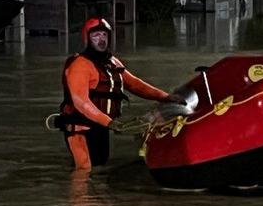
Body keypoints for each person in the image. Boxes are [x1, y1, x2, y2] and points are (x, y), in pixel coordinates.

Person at [57, 17, 181, 170]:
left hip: (101, 126)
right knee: (84, 169)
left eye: (104, 35)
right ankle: (78, 192)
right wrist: (110, 123)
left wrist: (165, 97)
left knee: (100, 164)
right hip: (80, 127)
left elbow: (135, 84)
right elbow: (81, 103)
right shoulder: (80, 65)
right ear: (87, 38)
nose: (101, 39)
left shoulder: (112, 63)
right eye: (96, 36)